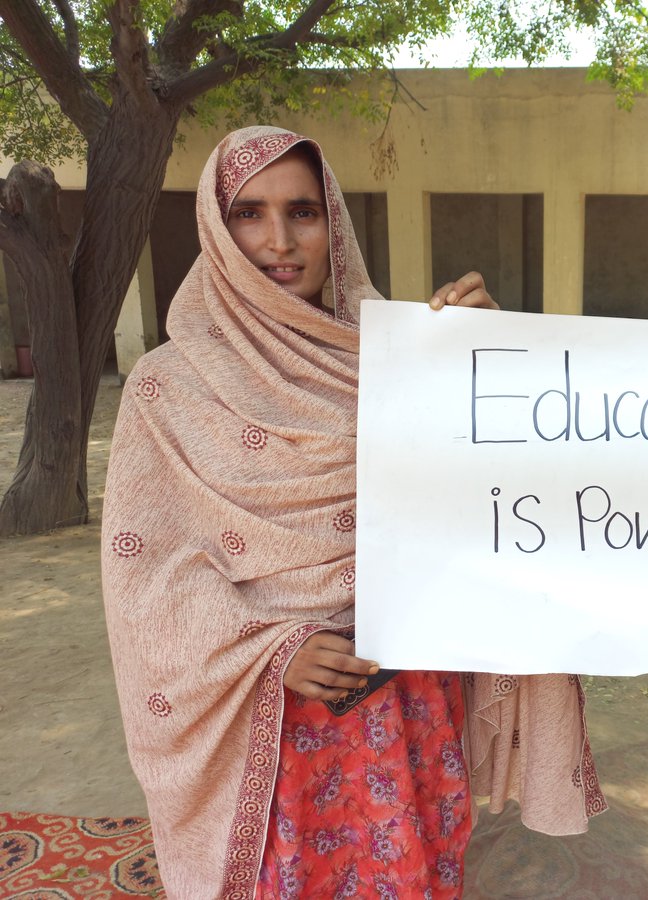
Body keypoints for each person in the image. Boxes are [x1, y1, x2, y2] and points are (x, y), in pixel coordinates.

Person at [101, 125, 604, 899]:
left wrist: (490, 365)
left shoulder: (402, 353)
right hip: (273, 718)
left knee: (412, 874)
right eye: (250, 213)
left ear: (332, 219)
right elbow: (148, 573)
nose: (280, 241)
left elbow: (492, 496)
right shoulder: (170, 387)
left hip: (404, 700)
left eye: (303, 212)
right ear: (216, 226)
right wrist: (269, 651)